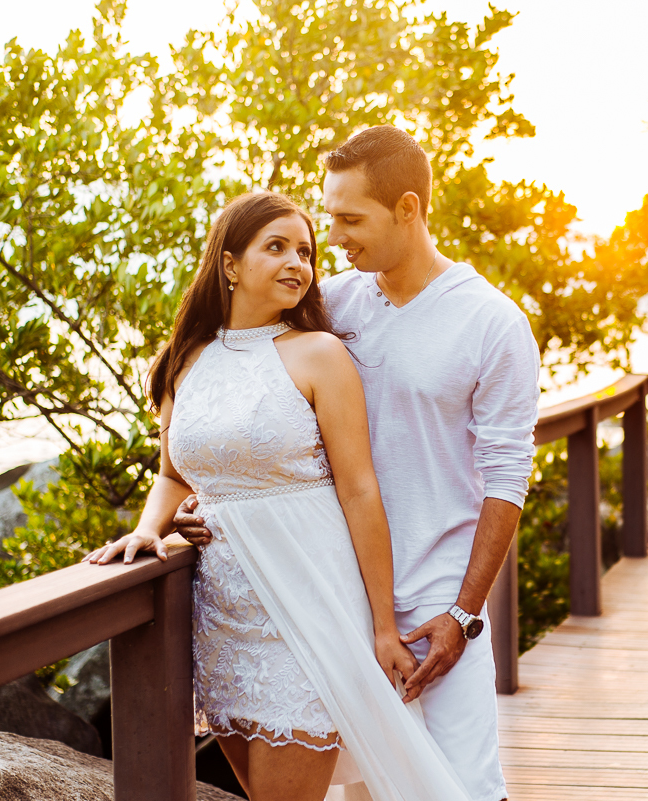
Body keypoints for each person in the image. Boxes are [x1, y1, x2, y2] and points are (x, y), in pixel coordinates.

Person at [175, 126, 541, 801]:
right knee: (370, 788)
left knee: (462, 786)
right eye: (330, 216)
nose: (335, 237)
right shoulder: (333, 306)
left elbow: (507, 478)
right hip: (336, 592)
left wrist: (463, 613)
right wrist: (209, 500)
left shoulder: (491, 322)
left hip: (436, 599)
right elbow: (255, 400)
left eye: (350, 218)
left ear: (408, 208)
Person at [86, 192, 472, 801]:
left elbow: (360, 491)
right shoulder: (184, 362)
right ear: (231, 263)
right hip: (224, 623)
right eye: (277, 247)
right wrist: (149, 529)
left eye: (306, 251)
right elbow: (173, 474)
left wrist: (381, 628)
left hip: (310, 608)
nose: (298, 262)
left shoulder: (320, 354)